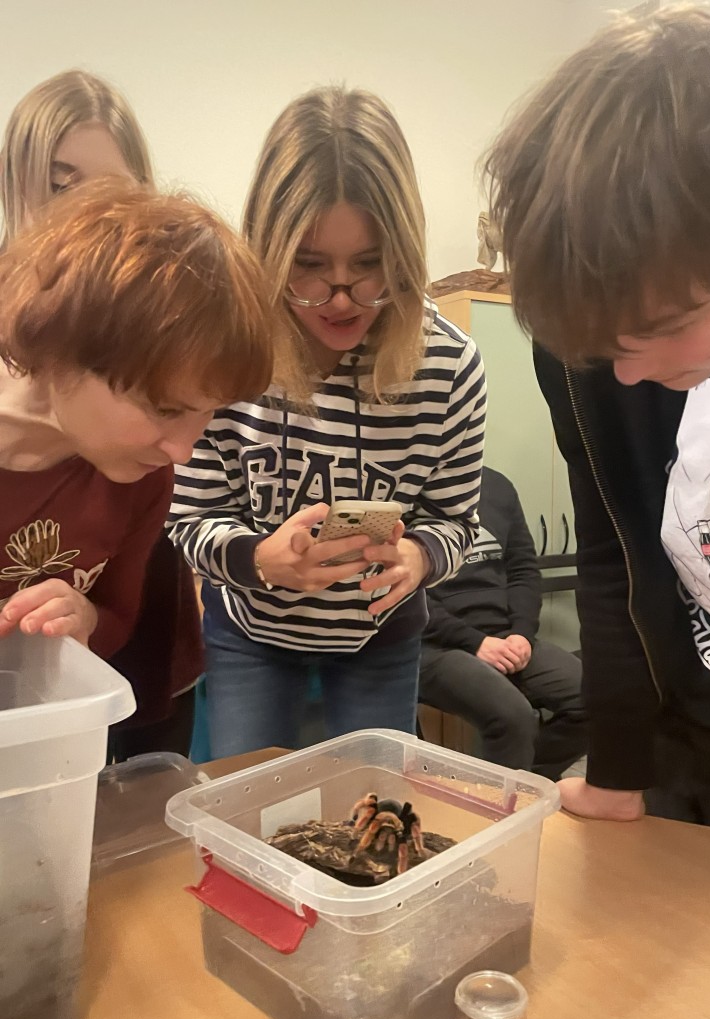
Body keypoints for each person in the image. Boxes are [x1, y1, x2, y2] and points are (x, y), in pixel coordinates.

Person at [484, 4, 710, 863]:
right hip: (679, 727)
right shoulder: (587, 340)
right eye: (601, 348)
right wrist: (619, 766)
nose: (627, 375)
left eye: (669, 325)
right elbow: (612, 554)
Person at [169, 86, 487, 759]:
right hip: (250, 632)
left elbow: (457, 522)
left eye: (370, 267)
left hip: (381, 637)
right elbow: (189, 518)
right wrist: (258, 559)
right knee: (246, 801)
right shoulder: (225, 345)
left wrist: (418, 556)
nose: (341, 299)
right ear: (269, 251)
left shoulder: (450, 364)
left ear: (404, 254)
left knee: (376, 806)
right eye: (308, 268)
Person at [0, 70, 205, 760]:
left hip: (83, 708)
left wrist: (85, 615)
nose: (84, 219)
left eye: (114, 196)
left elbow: (114, 610)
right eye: (61, 187)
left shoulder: (145, 462)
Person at [0, 182, 274, 698]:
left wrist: (82, 618)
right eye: (166, 409)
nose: (182, 452)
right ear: (63, 347)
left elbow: (117, 619)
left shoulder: (141, 477)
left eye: (208, 412)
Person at [419, 465, 586, 779]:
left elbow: (524, 570)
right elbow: (402, 593)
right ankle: (507, 797)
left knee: (594, 698)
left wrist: (522, 633)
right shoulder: (403, 490)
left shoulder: (496, 485)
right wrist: (475, 642)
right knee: (513, 716)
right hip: (432, 645)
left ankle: (527, 782)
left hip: (506, 636)